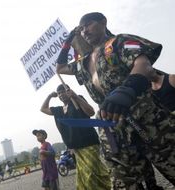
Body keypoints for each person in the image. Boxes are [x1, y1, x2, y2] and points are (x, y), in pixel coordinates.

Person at [56, 12, 175, 189]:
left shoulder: (119, 42)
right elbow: (60, 68)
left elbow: (144, 65)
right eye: (81, 29)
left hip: (148, 120)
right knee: (124, 182)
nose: (85, 31)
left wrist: (128, 89)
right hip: (113, 130)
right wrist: (67, 42)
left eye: (88, 25)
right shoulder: (83, 62)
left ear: (103, 22)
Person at [41, 84, 111, 189]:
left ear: (68, 90)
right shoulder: (59, 110)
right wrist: (50, 96)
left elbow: (90, 112)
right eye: (59, 93)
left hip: (89, 144)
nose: (61, 94)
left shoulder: (77, 100)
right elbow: (43, 109)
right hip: (76, 149)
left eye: (63, 91)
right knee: (85, 177)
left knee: (92, 174)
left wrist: (75, 96)